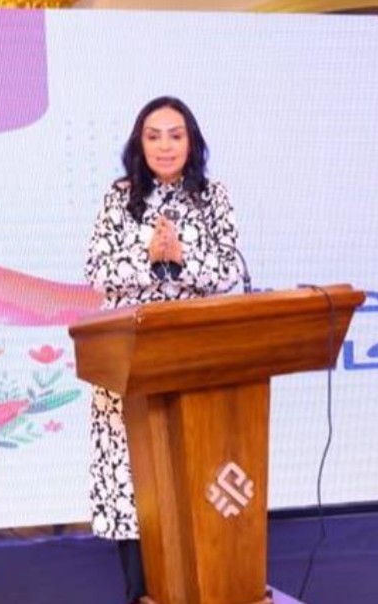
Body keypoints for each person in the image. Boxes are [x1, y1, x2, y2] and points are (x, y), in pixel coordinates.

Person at [83, 96, 242, 603]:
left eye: (176, 135)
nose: (165, 145)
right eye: (154, 136)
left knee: (193, 479)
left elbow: (234, 273)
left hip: (195, 361)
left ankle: (203, 586)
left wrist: (184, 258)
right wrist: (148, 258)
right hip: (129, 366)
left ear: (191, 142)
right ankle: (142, 593)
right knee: (138, 485)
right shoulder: (119, 197)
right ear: (140, 143)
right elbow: (97, 271)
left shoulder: (212, 197)